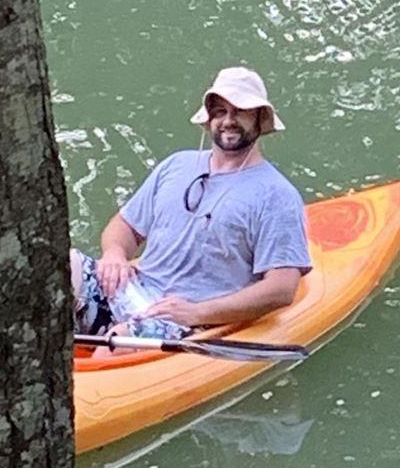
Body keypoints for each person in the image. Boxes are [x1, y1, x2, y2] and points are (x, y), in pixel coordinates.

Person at [70, 65, 311, 344]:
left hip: (187, 319)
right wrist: (114, 254)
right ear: (209, 119)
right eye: (220, 111)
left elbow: (281, 288)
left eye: (240, 111)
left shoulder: (276, 195)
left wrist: (196, 313)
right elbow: (124, 226)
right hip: (133, 289)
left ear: (259, 119)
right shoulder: (177, 165)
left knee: (114, 346)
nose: (228, 120)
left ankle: (102, 353)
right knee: (62, 265)